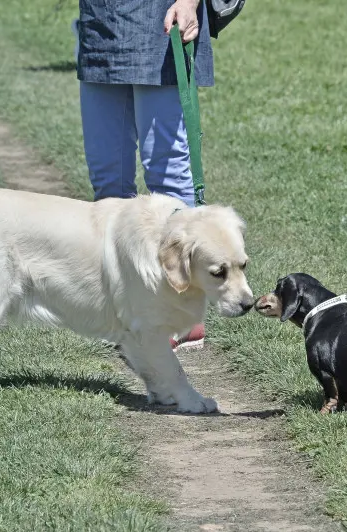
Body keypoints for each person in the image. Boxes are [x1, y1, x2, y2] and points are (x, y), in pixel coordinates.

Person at [75, 0, 213, 350]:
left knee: (166, 177)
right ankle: (119, 308)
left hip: (161, 25)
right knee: (107, 186)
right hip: (101, 28)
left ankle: (182, 314)